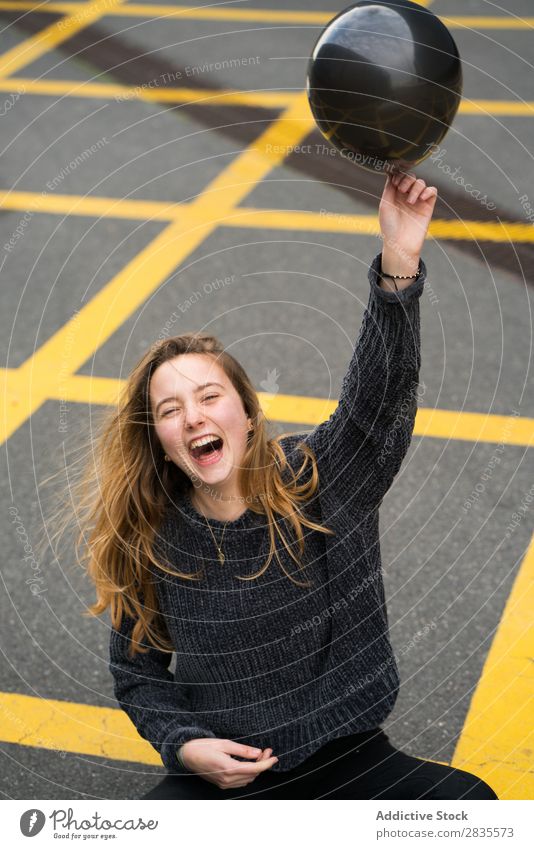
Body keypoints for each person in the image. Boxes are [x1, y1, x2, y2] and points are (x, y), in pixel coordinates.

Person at [58, 171, 498, 800]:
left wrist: (400, 263)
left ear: (246, 412)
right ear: (158, 438)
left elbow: (378, 398)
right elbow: (137, 676)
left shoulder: (319, 478)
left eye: (210, 396)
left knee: (472, 808)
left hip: (346, 756)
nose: (193, 417)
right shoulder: (150, 536)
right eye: (169, 410)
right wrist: (184, 745)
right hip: (223, 779)